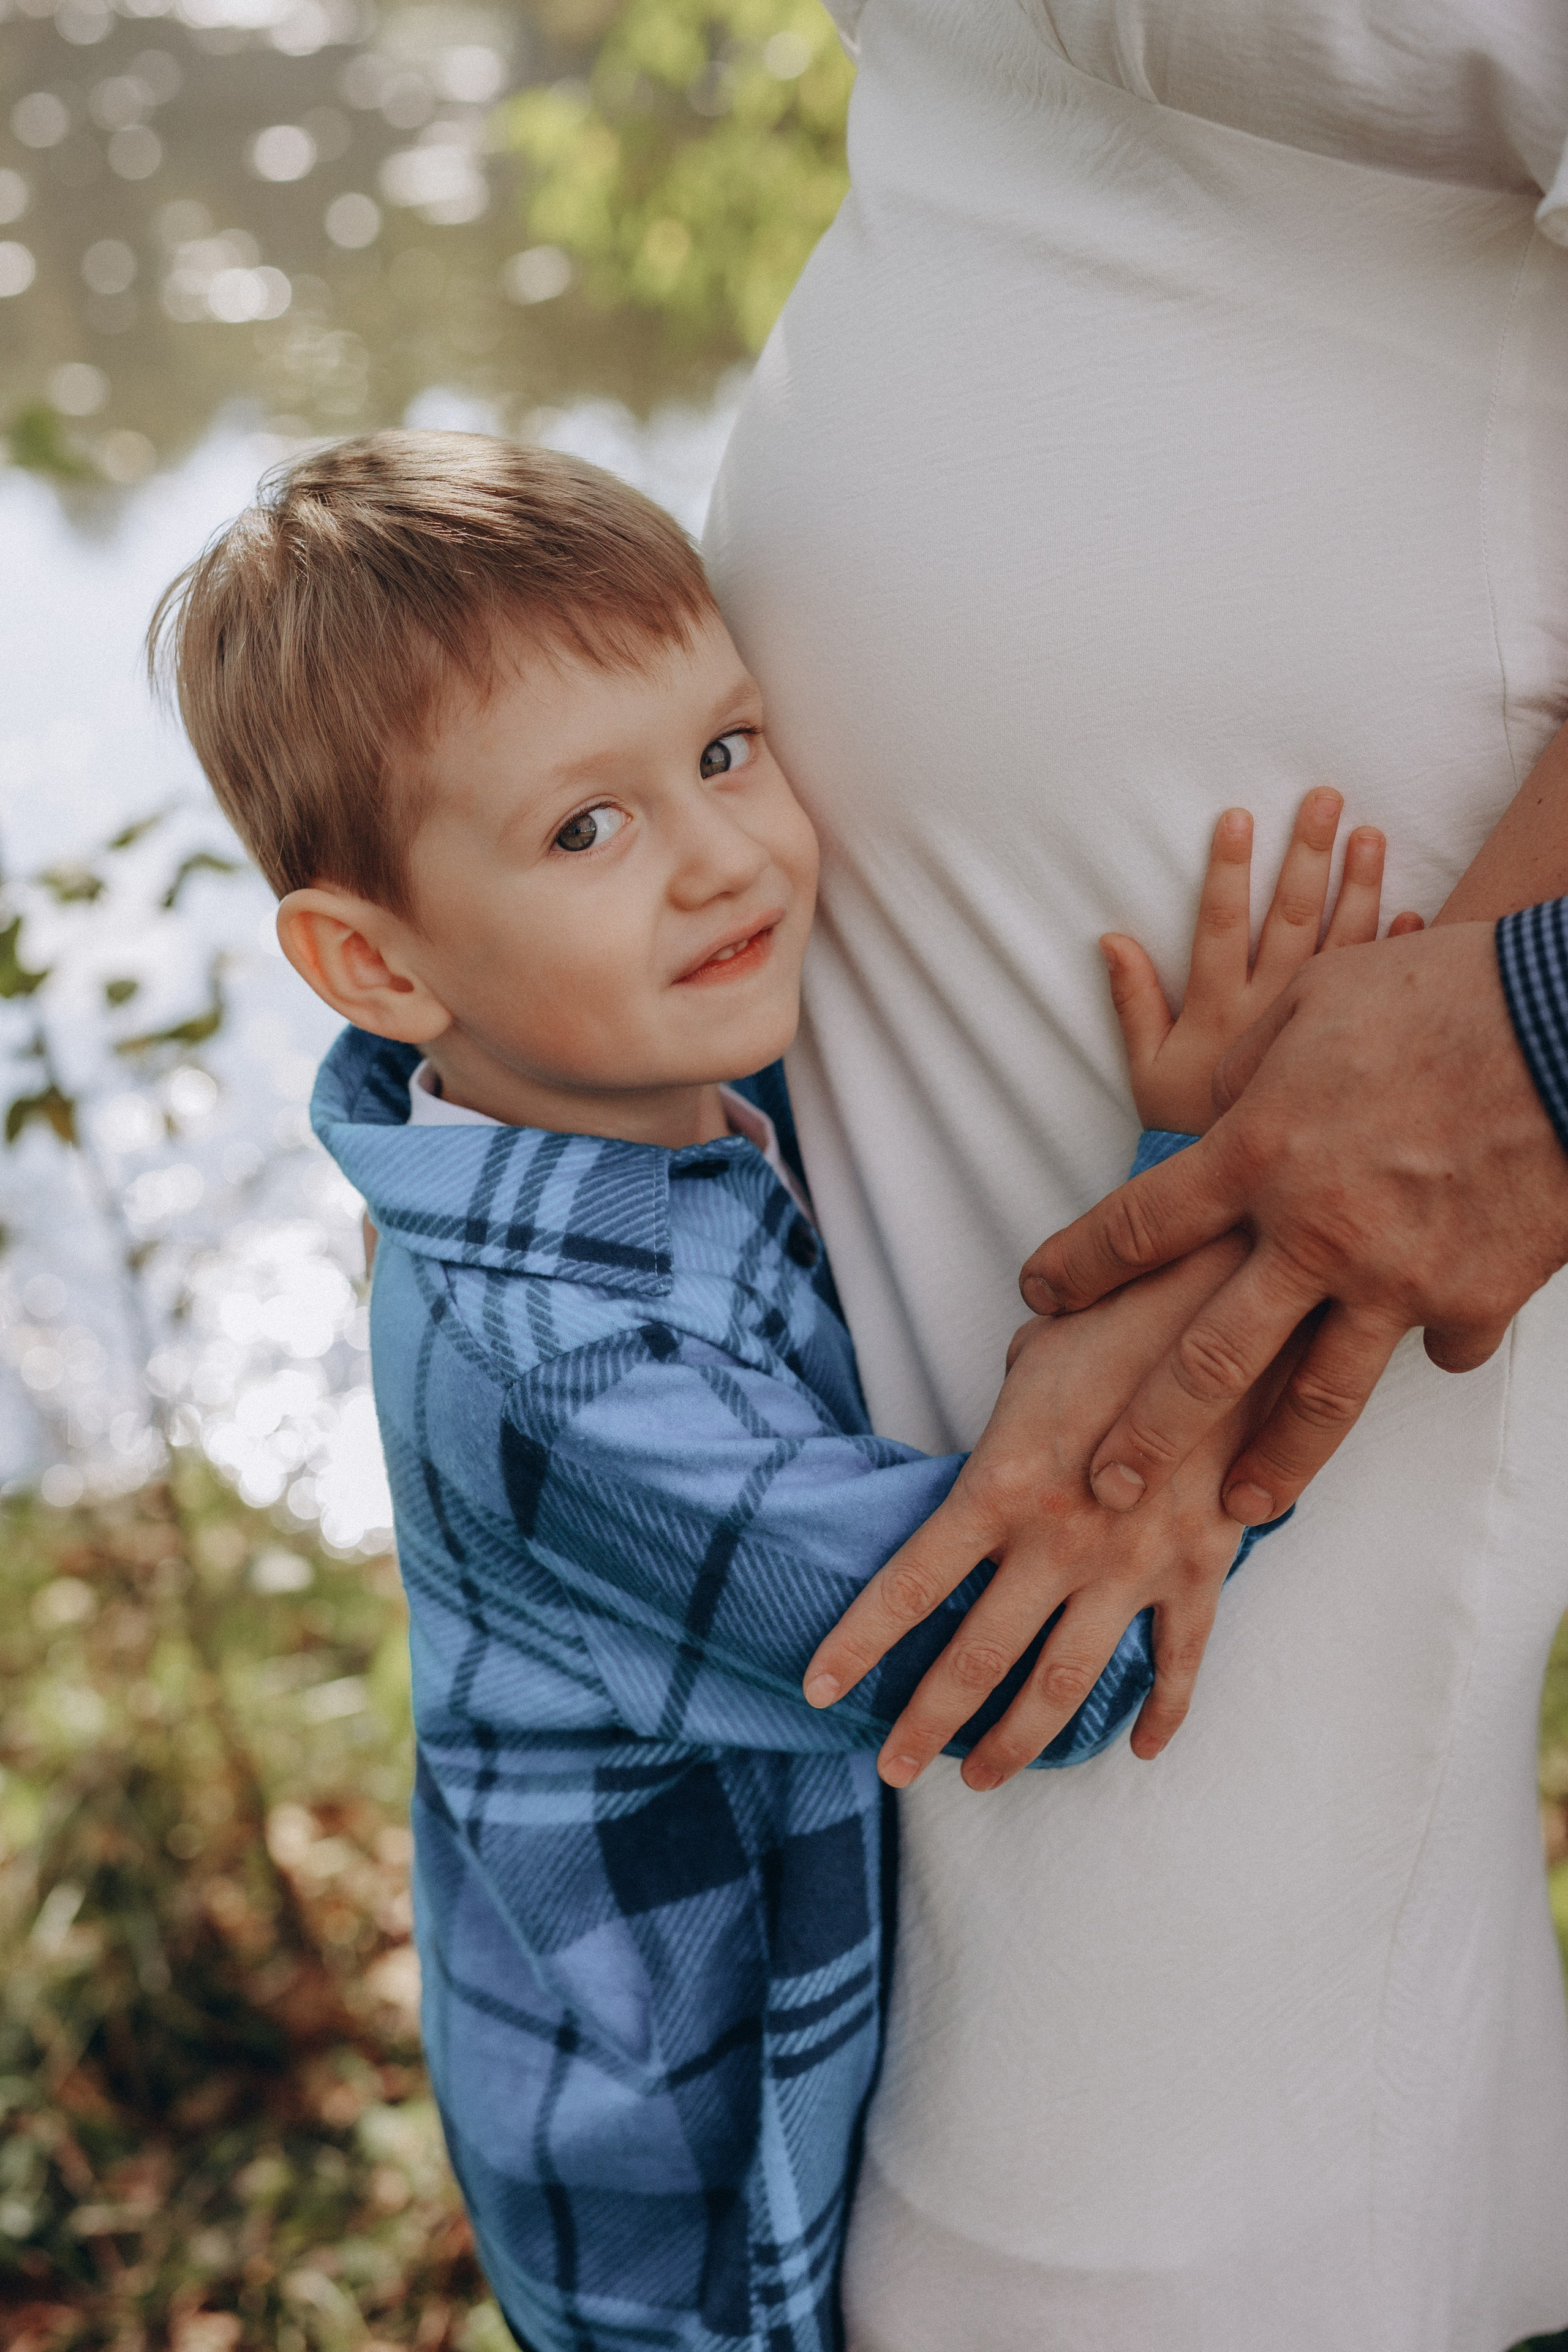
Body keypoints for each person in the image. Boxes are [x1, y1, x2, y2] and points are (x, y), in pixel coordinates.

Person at [148, 433, 1355, 2352]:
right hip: (682, 2223)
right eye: (585, 830)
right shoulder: (558, 1379)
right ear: (371, 961)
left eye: (722, 752)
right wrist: (1225, 1189)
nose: (724, 855)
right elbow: (1041, 1656)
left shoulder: (632, 1089)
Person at [702, 1, 1568, 2343]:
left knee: (1137, 2095)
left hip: (1360, 989)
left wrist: (1542, 1018)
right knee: (942, 1968)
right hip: (918, 991)